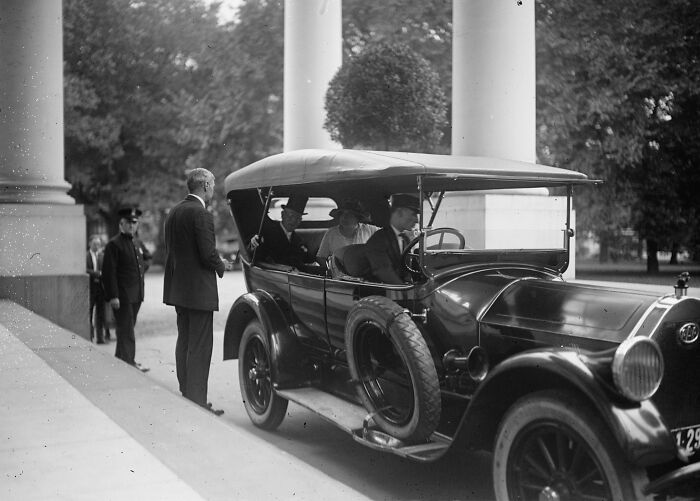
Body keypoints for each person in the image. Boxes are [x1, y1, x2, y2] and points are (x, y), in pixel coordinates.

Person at [163, 168, 233, 416]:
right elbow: (206, 253)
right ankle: (197, 400)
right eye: (212, 184)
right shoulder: (201, 214)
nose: (214, 188)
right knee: (200, 346)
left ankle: (187, 391)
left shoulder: (174, 212)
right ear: (204, 185)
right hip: (199, 292)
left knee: (185, 341)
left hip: (179, 291)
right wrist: (221, 264)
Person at [102, 207, 152, 371]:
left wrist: (141, 271)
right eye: (128, 223)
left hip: (136, 294)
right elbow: (109, 273)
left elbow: (146, 260)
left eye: (134, 223)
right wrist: (113, 296)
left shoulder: (136, 242)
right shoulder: (113, 245)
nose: (131, 226)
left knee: (127, 328)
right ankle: (129, 362)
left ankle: (121, 360)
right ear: (121, 224)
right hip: (122, 296)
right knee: (126, 329)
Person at [362, 193, 420, 284]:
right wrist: (406, 290)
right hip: (381, 293)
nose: (417, 220)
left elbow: (407, 271)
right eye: (413, 214)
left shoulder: (405, 239)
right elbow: (383, 272)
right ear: (399, 212)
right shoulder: (378, 240)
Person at [248, 195, 316, 270]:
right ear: (282, 214)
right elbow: (254, 255)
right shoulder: (267, 233)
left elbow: (306, 260)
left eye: (297, 218)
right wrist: (252, 245)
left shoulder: (299, 240)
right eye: (291, 216)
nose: (293, 221)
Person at [315, 198, 379, 266]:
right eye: (342, 214)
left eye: (350, 214)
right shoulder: (331, 233)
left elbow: (388, 234)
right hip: (338, 274)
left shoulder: (369, 230)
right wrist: (331, 269)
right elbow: (321, 257)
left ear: (357, 218)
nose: (344, 217)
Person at [86, 235, 110, 344]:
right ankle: (89, 336)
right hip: (90, 288)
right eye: (95, 244)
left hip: (101, 289)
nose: (97, 246)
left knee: (100, 314)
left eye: (98, 244)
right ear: (89, 244)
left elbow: (106, 269)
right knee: (89, 313)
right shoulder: (85, 256)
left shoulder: (102, 256)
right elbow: (85, 269)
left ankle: (100, 338)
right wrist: (95, 273)